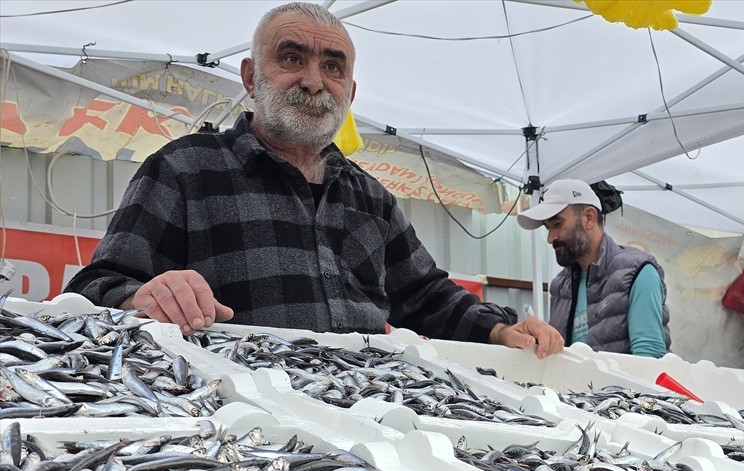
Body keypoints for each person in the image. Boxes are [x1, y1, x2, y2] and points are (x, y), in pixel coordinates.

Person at [65, 2, 562, 358]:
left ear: (350, 92)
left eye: (332, 67)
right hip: (239, 420)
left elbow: (426, 296)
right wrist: (142, 295)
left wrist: (501, 329)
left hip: (368, 413)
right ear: (250, 77)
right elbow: (94, 287)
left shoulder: (371, 197)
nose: (313, 81)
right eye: (291, 58)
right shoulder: (184, 169)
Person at [517, 179, 670, 357]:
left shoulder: (638, 273)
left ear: (589, 218)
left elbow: (649, 359)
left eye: (557, 224)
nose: (550, 238)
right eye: (547, 228)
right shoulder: (560, 285)